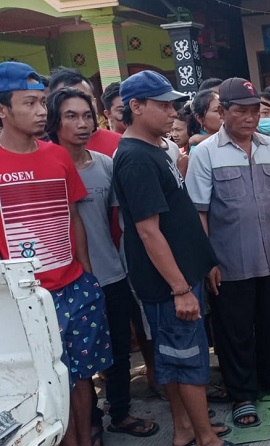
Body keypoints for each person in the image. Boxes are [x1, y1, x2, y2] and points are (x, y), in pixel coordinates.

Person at [113, 70, 233, 446]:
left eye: (172, 104)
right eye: (163, 105)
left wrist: (203, 262)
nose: (172, 113)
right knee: (186, 361)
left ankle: (186, 430)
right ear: (136, 107)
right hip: (168, 284)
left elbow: (177, 217)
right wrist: (180, 288)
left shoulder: (155, 148)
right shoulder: (134, 158)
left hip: (183, 274)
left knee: (180, 357)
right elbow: (149, 231)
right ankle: (204, 438)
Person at [0, 61, 113, 446]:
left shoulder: (57, 156)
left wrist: (85, 273)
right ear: (2, 110)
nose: (40, 112)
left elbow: (74, 217)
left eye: (42, 102)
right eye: (29, 103)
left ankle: (84, 438)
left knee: (80, 377)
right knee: (42, 381)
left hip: (74, 288)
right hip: (22, 300)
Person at [45, 86, 159, 440]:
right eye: (71, 116)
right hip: (64, 279)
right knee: (72, 364)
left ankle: (120, 413)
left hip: (111, 274)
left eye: (86, 115)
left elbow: (121, 223)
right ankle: (86, 420)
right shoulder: (46, 166)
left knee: (118, 353)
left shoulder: (106, 165)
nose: (82, 124)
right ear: (54, 121)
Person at [187, 77, 270, 428]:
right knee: (233, 330)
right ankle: (242, 394)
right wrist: (208, 262)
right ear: (223, 112)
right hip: (228, 262)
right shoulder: (205, 153)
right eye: (241, 111)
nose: (250, 118)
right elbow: (199, 213)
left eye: (254, 111)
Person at [50, 68, 121, 158]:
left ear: (94, 101)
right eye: (68, 99)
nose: (80, 104)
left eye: (85, 98)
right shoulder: (46, 154)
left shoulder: (120, 144)